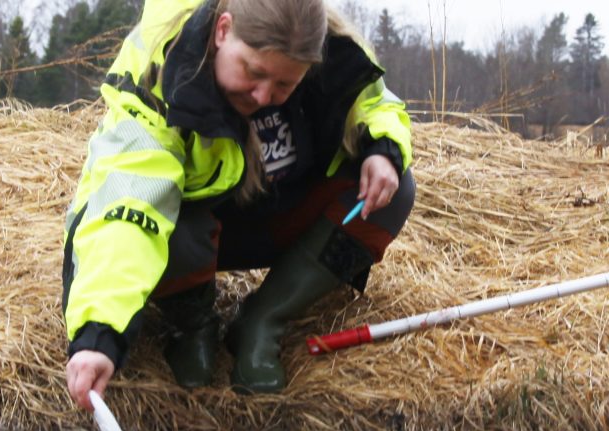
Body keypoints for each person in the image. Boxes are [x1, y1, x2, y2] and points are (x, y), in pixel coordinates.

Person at [60, 0, 416, 409]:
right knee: (169, 221)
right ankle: (193, 325)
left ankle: (263, 322)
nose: (265, 96)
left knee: (397, 187)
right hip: (192, 232)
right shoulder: (161, 79)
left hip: (273, 217)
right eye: (254, 72)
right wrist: (99, 336)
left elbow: (376, 103)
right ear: (223, 31)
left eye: (285, 85)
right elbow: (128, 210)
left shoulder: (330, 49)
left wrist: (382, 150)